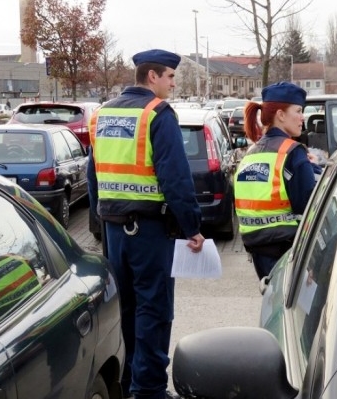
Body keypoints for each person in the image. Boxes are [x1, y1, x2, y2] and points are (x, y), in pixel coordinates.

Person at [87, 49, 205, 399]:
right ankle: (149, 388)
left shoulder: (102, 115)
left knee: (125, 309)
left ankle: (127, 383)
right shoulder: (157, 113)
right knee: (154, 309)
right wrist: (192, 226)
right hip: (150, 231)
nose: (173, 82)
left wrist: (99, 219)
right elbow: (176, 178)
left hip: (113, 230)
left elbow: (92, 173)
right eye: (170, 76)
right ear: (151, 76)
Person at [234, 81, 318, 280]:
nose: (302, 117)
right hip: (287, 249)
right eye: (298, 111)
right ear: (280, 115)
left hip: (257, 250)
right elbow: (309, 208)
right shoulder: (293, 152)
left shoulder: (252, 152)